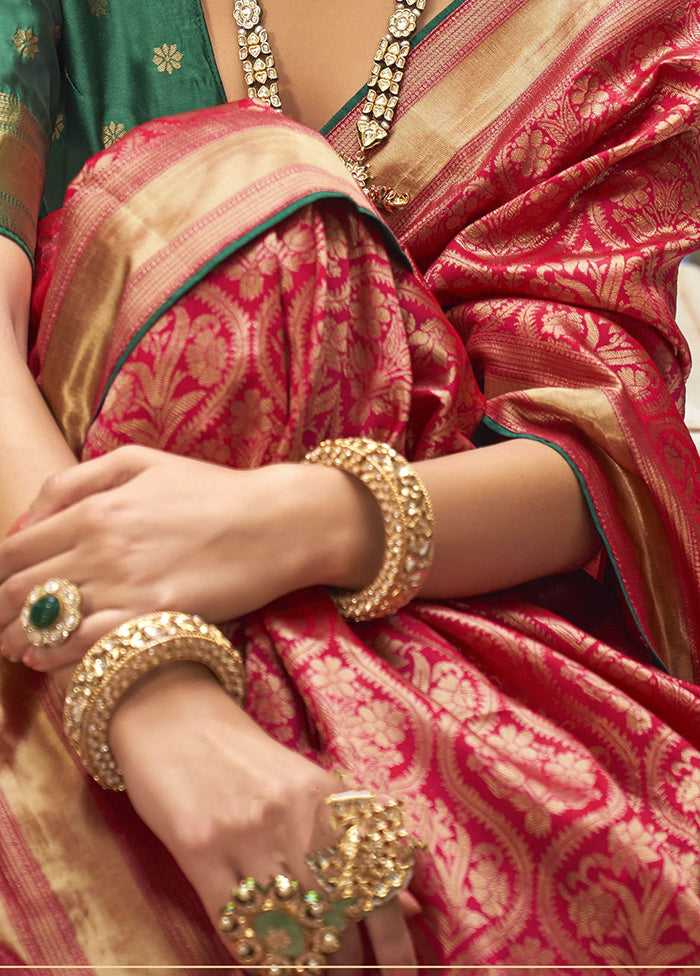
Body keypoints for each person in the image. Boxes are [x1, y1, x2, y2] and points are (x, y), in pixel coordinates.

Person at [0, 0, 698, 969]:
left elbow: (594, 449)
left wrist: (282, 523)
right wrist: (151, 693)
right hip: (40, 607)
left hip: (435, 623)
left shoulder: (613, 23)